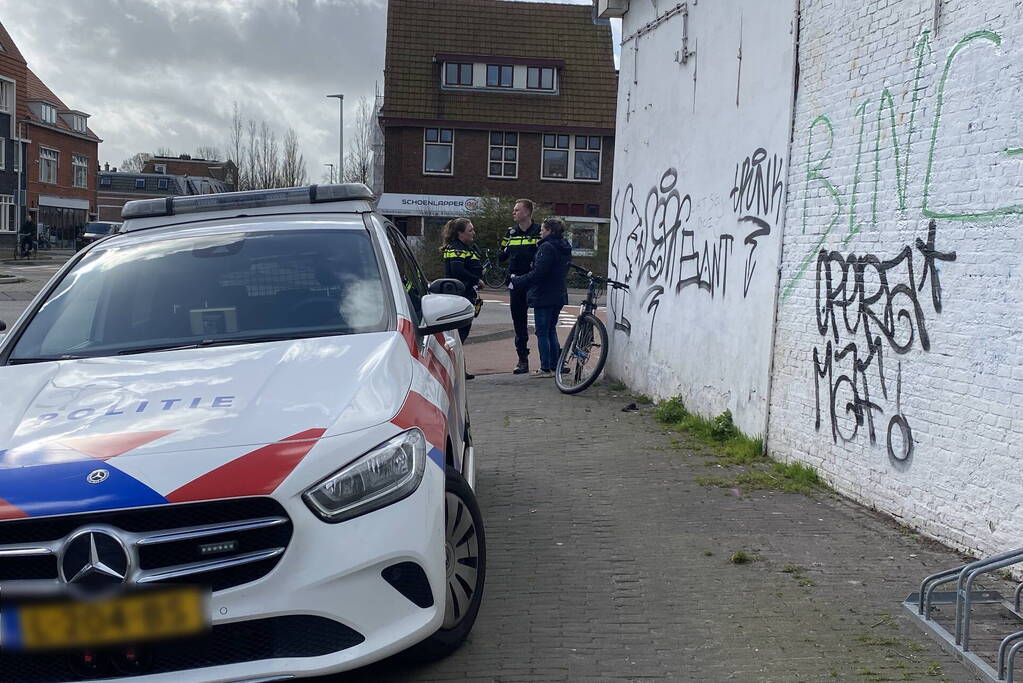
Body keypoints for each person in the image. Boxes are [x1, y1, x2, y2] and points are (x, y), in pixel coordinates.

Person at [509, 218, 572, 378]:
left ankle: (546, 368)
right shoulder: (564, 246)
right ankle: (554, 366)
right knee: (551, 330)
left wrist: (518, 280)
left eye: (543, 229)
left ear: (550, 230)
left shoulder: (546, 247)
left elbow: (539, 273)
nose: (540, 232)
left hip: (544, 294)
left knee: (542, 332)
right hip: (558, 292)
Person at [499, 199, 541, 374]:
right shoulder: (510, 233)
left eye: (517, 210)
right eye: (514, 210)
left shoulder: (539, 231)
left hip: (535, 281)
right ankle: (522, 360)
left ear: (527, 212)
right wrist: (506, 251)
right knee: (519, 321)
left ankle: (551, 358)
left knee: (543, 322)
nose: (513, 213)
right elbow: (500, 256)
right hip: (516, 282)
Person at [442, 217, 484, 380]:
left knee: (461, 334)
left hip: (466, 294)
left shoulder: (466, 247)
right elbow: (457, 270)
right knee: (459, 334)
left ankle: (459, 368)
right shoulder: (457, 249)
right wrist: (476, 279)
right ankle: (456, 369)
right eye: (470, 230)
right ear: (460, 233)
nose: (473, 232)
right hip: (459, 295)